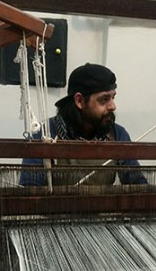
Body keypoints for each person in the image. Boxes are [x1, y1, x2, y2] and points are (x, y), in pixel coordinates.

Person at [19, 63, 148, 186]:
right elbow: (30, 189)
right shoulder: (44, 135)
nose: (113, 106)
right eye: (104, 99)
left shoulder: (117, 134)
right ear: (79, 100)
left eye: (113, 97)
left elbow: (137, 183)